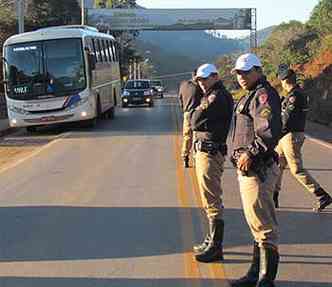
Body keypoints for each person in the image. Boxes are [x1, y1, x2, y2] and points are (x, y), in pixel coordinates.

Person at [230, 53, 281, 287]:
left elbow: (268, 131)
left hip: (258, 168)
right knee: (255, 223)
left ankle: (265, 280)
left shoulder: (262, 95)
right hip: (248, 169)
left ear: (258, 71)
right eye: (238, 73)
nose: (241, 77)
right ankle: (254, 274)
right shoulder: (250, 95)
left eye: (246, 72)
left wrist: (251, 152)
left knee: (264, 226)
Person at [273, 64, 332, 212]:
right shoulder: (295, 94)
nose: (281, 85)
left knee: (296, 169)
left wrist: (276, 134)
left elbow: (287, 119)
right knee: (277, 165)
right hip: (287, 136)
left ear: (285, 81)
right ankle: (273, 197)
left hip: (290, 136)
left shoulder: (295, 96)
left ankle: (321, 195)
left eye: (281, 81)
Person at [191, 63, 234, 262]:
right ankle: (211, 240)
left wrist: (198, 110)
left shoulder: (216, 97)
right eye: (199, 80)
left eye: (205, 79)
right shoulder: (211, 94)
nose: (201, 83)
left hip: (210, 152)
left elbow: (194, 120)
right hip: (206, 150)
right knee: (208, 200)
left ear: (216, 76)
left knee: (212, 200)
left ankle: (216, 247)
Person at [178, 70, 202, 168]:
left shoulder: (183, 85)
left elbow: (180, 98)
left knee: (187, 136)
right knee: (196, 136)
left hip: (187, 113)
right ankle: (196, 158)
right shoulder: (199, 87)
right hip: (197, 113)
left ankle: (185, 156)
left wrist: (184, 109)